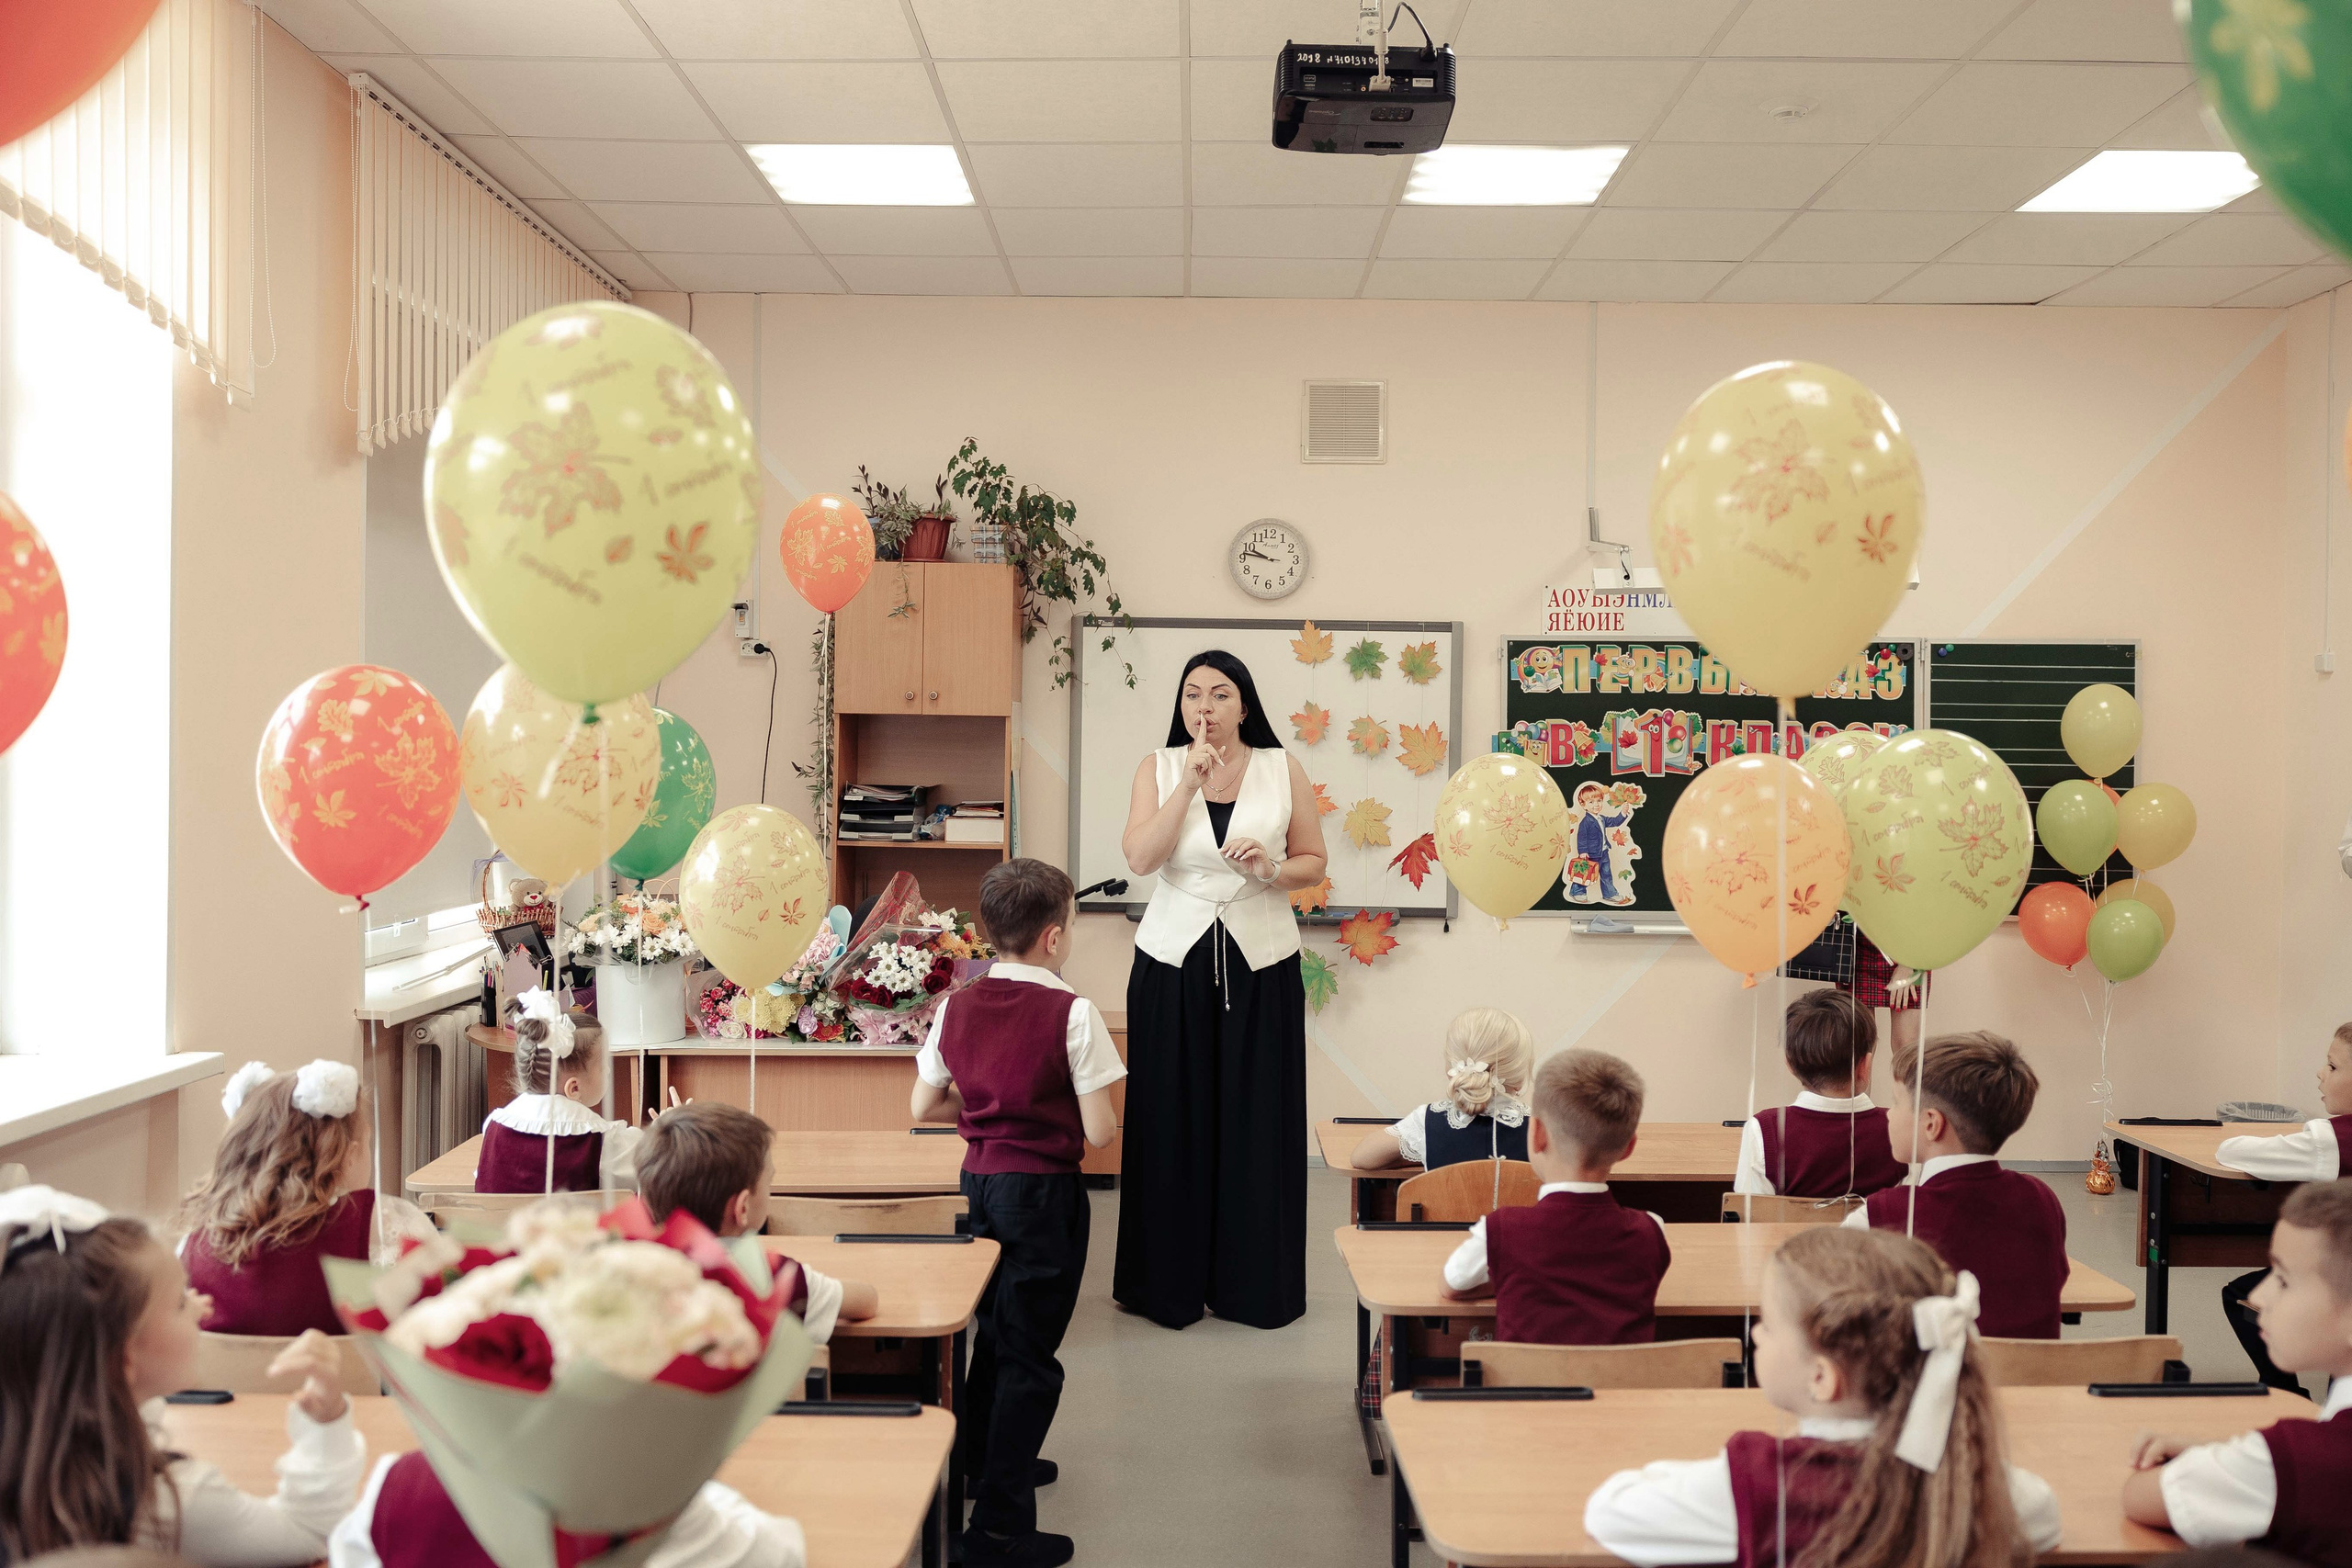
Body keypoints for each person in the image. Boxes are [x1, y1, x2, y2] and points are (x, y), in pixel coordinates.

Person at [1584, 1225, 2061, 1567]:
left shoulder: (1759, 1482)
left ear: (1821, 1378)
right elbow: (2045, 1514)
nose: (1755, 1334)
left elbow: (1612, 1510)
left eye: (1769, 1324)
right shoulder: (1974, 1485)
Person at [911, 859, 1125, 1568]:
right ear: (1054, 936)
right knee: (1030, 1355)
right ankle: (999, 1527)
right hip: (1042, 1194)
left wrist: (987, 1108)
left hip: (977, 1184)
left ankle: (982, 1460)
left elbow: (924, 1104)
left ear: (989, 930)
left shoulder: (957, 1005)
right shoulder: (1074, 1012)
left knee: (993, 1334)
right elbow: (1100, 1132)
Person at [1114, 649, 1329, 1332]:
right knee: (1170, 1114)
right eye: (1192, 695)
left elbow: (1313, 862)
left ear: (1244, 705)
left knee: (1257, 1119)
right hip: (1171, 956)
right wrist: (1187, 786)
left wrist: (1270, 869)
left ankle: (1253, 1286)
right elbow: (1141, 858)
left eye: (1219, 694)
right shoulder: (1158, 766)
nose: (1203, 707)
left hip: (1261, 959)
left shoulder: (1282, 766)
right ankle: (1166, 1286)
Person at [0, 1187, 367, 1564]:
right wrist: (326, 1424)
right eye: (179, 1302)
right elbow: (307, 1534)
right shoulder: (165, 1503)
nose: (201, 1308)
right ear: (124, 1360)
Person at [2121, 1179, 2352, 1566]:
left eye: (2282, 1280)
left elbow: (2141, 1497)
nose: (2258, 1296)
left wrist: (2238, 1464)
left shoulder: (2292, 1460)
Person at [176, 1060, 429, 1337]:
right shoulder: (386, 1224)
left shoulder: (193, 1244)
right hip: (340, 1367)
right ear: (350, 1154)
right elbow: (439, 1325)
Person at [1438, 1049, 1670, 1346]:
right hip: (1621, 1378)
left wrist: (1510, 1276)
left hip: (1523, 1378)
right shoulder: (1651, 1230)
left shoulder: (1500, 1230)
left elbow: (1452, 1285)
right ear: (1628, 1148)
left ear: (1537, 1133)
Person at [1849, 1031, 2067, 1340]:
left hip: (1933, 1372)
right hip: (2034, 1372)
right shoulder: (2043, 1199)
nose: (1888, 1114)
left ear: (1931, 1124)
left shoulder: (1879, 1216)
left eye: (1897, 1103)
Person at [635, 1100, 877, 1333]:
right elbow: (866, 1302)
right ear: (742, 1208)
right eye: (768, 1181)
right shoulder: (774, 1276)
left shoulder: (634, 1273)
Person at [2214, 1024, 2352, 1392]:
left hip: (2343, 1281)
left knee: (2243, 1295)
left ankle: (2284, 1393)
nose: (2321, 1073)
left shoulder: (2335, 1140)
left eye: (2333, 1067)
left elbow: (2231, 1150)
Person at [1735, 989, 1905, 1201]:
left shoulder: (1763, 1129)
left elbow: (1750, 1214)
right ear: (1865, 1065)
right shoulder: (1901, 1127)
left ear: (1790, 1063)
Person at [474, 990, 643, 1194]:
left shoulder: (494, 1126)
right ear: (574, 1088)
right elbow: (657, 1169)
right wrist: (672, 1129)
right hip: (571, 1217)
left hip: (500, 1217)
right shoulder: (602, 1140)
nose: (608, 1070)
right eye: (603, 1065)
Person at [1351, 1007, 1533, 1170]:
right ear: (1519, 1077)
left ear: (1451, 1070)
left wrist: (1422, 1152)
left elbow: (1362, 1158)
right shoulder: (1542, 1127)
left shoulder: (1427, 1121)